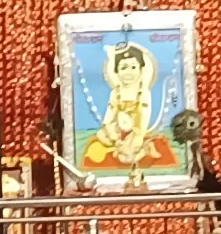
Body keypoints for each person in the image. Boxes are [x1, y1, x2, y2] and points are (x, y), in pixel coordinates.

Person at [76, 44, 183, 175]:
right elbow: (110, 114)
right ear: (116, 71)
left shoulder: (143, 93)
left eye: (133, 67)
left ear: (141, 69)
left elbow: (144, 117)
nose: (128, 72)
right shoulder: (116, 93)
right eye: (123, 68)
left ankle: (141, 149)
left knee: (133, 148)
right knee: (100, 139)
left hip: (136, 132)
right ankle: (125, 149)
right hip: (118, 130)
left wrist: (139, 136)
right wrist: (109, 130)